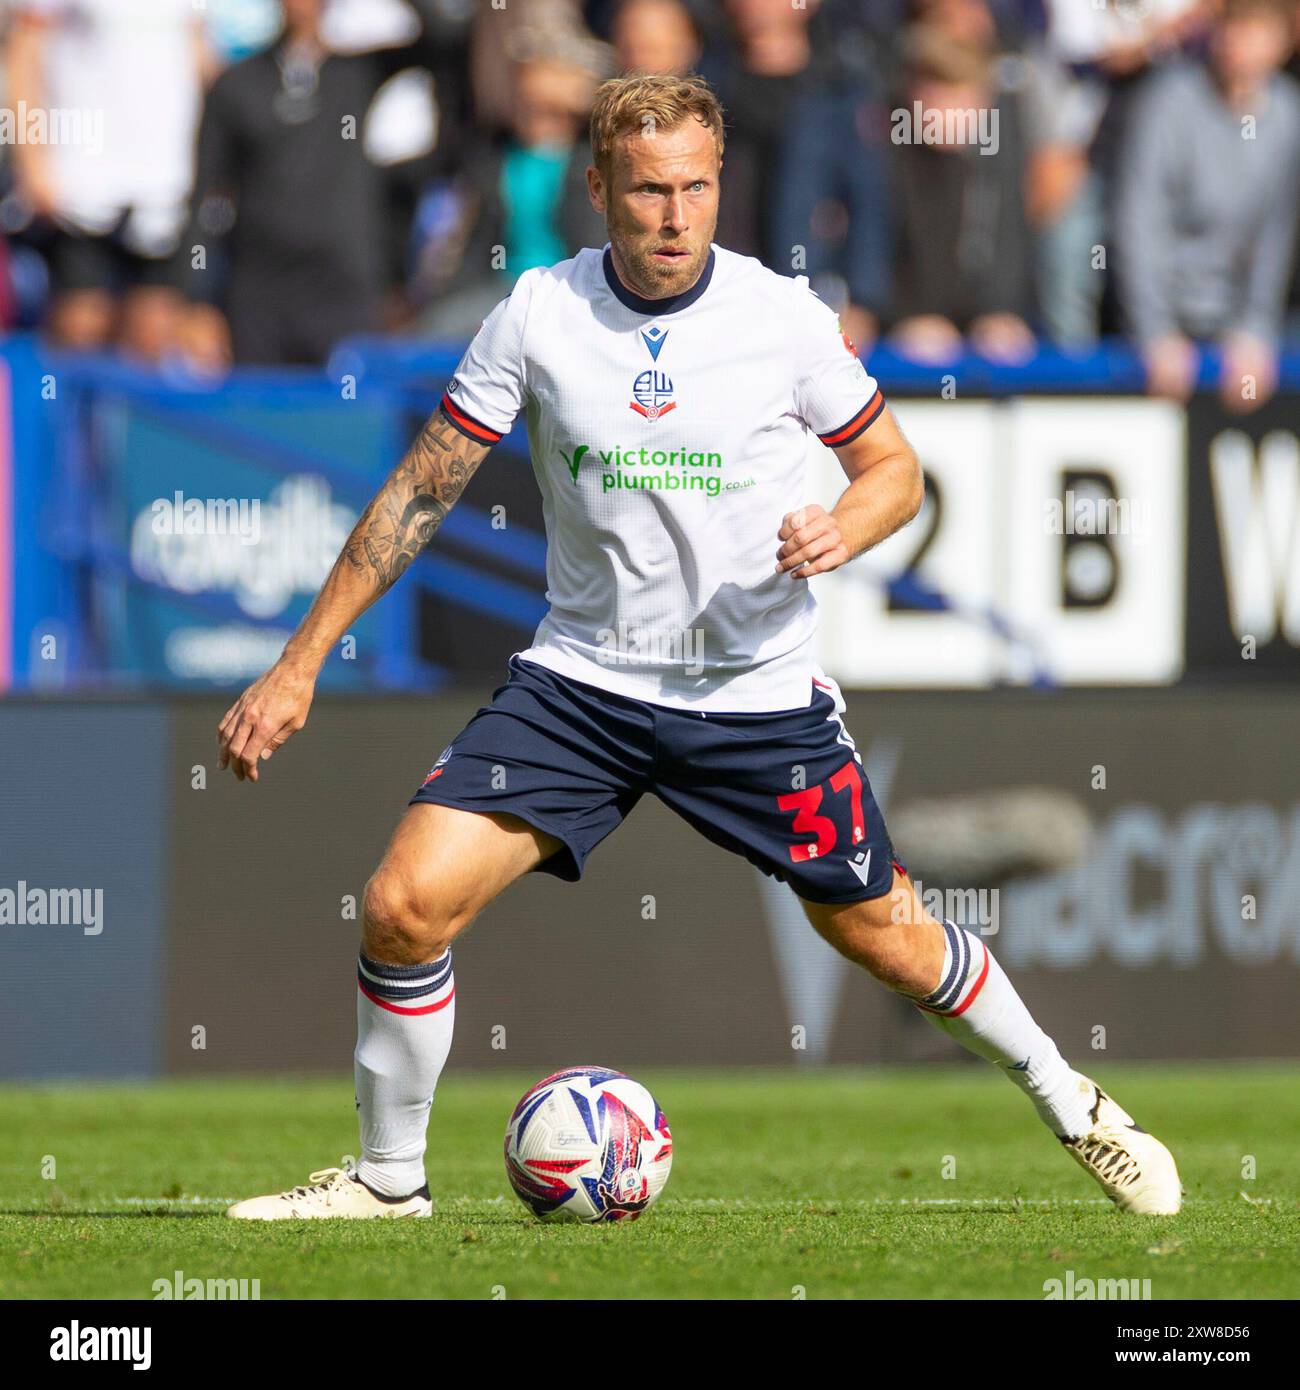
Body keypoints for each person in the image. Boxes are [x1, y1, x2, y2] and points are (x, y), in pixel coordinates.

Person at [215, 73, 1181, 1220]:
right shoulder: (538, 313)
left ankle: (1070, 1098)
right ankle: (387, 1182)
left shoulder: (779, 318)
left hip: (756, 696)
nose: (675, 217)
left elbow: (895, 472)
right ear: (597, 190)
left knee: (889, 935)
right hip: (582, 685)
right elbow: (423, 488)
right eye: (647, 192)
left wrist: (843, 522)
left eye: (696, 189)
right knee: (401, 904)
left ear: (720, 184)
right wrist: (300, 658)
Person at [1114, 0, 1300, 412]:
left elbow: (1276, 234)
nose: (1239, 45)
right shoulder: (1167, 102)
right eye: (1233, 29)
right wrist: (1155, 332)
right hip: (1159, 321)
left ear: (1282, 44)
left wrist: (1255, 331)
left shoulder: (1288, 116)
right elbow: (1140, 220)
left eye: (1256, 32)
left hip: (1231, 321)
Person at [6, 0, 210, 360]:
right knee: (81, 329)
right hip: (81, 191)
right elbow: (24, 55)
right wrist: (34, 163)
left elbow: (199, 55)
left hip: (164, 189)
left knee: (154, 336)